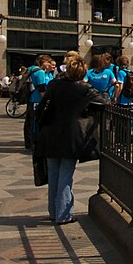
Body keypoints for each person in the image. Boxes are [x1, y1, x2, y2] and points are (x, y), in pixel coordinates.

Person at [35, 61, 107, 225]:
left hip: (51, 133)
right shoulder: (84, 89)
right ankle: (63, 214)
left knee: (53, 174)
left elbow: (41, 108)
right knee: (66, 175)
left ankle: (53, 211)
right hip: (71, 136)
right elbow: (103, 100)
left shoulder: (55, 85)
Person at [24, 54, 57, 149]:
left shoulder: (30, 69)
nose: (49, 64)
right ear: (43, 62)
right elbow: (41, 88)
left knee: (29, 122)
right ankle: (35, 142)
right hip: (38, 99)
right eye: (48, 62)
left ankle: (29, 142)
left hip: (31, 98)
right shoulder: (40, 72)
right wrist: (46, 100)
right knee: (36, 121)